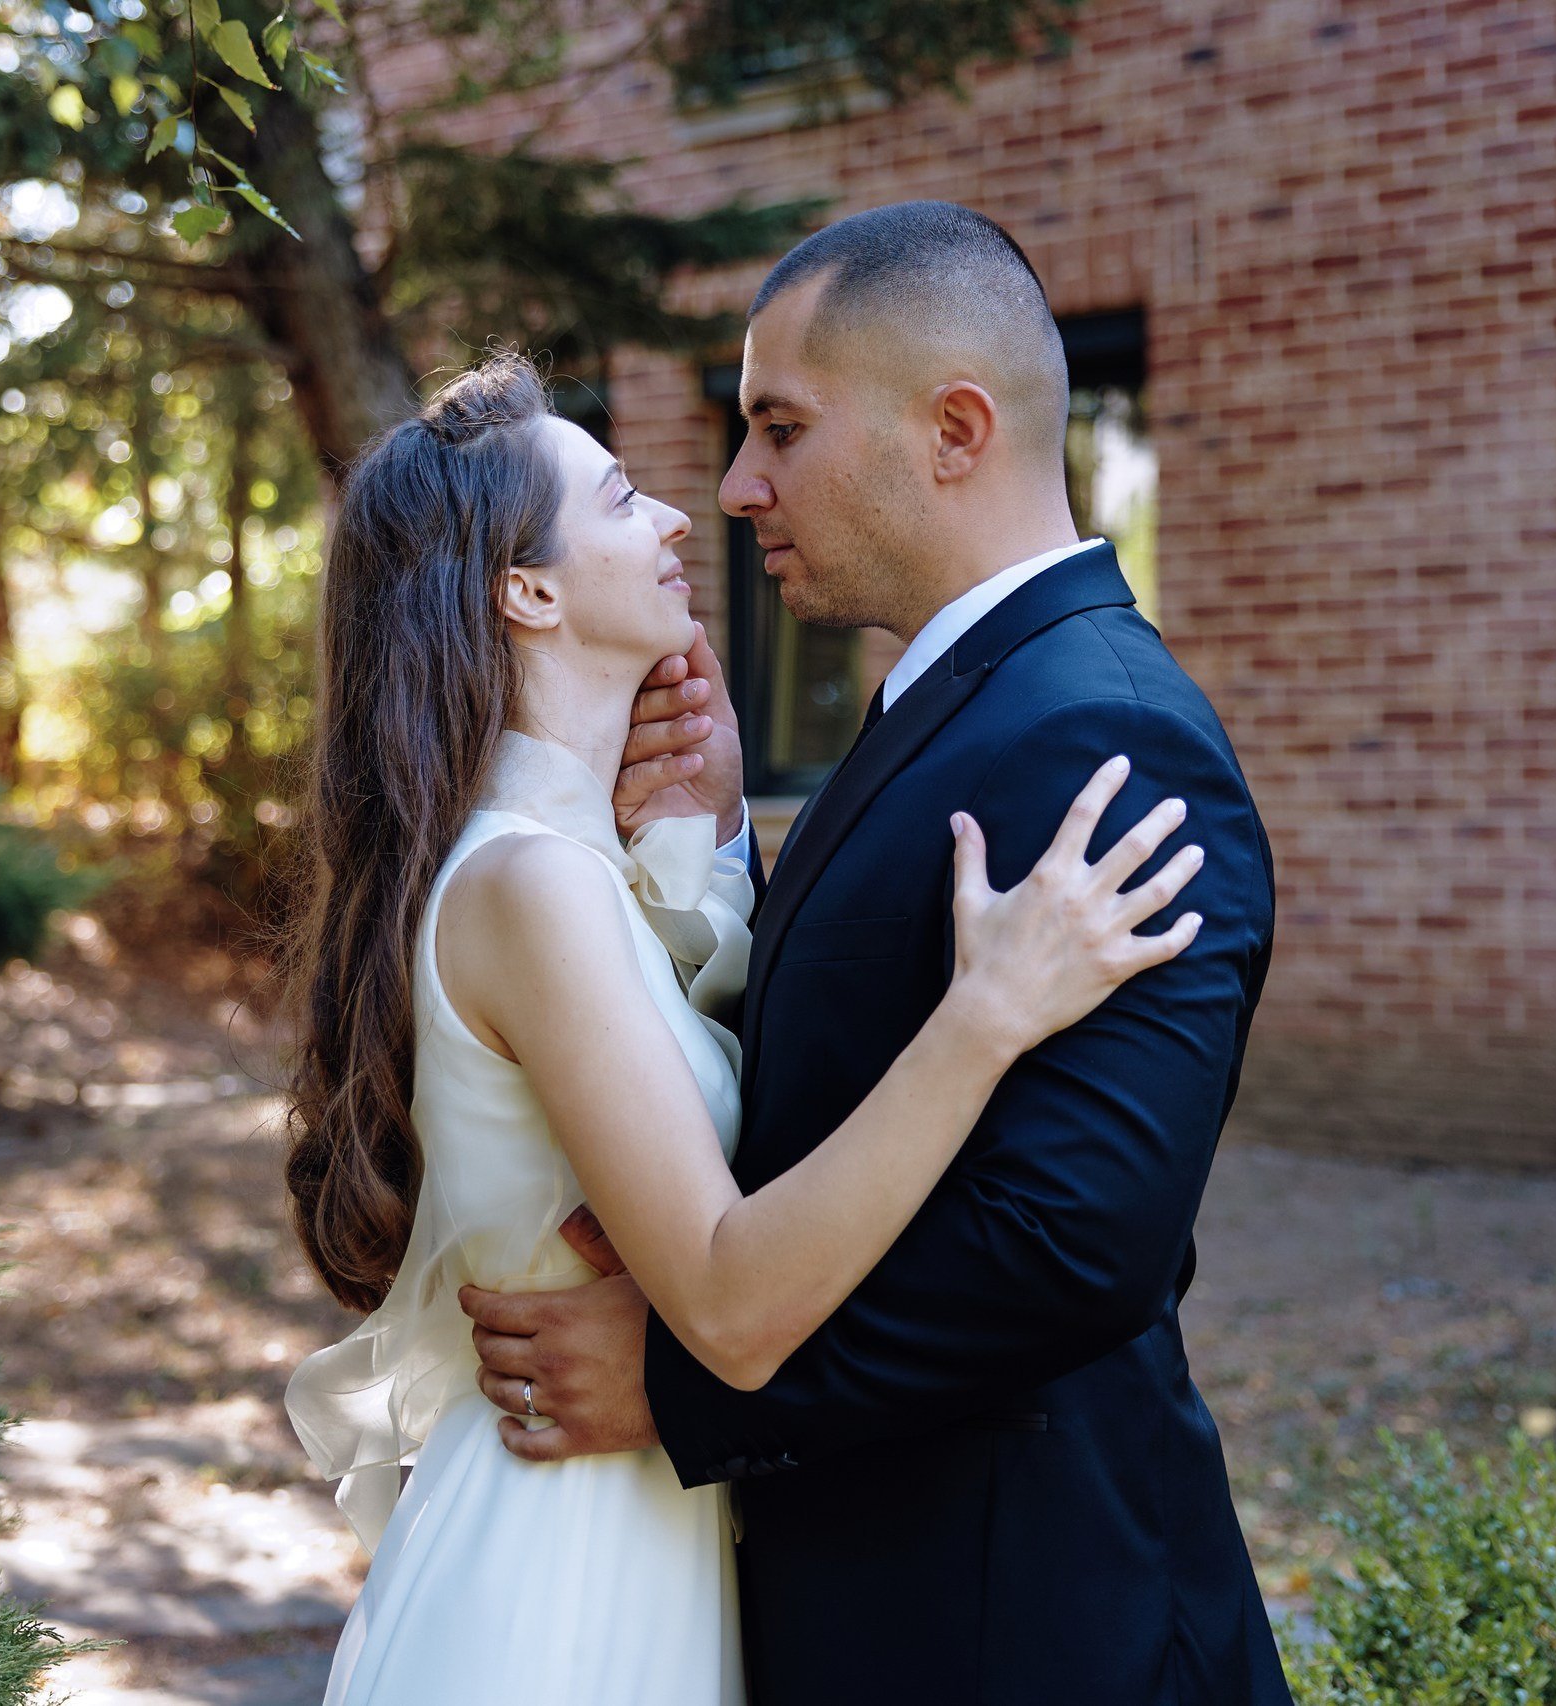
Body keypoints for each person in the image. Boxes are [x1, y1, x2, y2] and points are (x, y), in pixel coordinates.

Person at [281, 340, 1210, 1700]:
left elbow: (709, 1074)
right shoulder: (531, 882)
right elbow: (723, 1287)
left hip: (647, 1536)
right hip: (568, 1583)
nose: (679, 512)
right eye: (615, 500)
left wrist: (708, 835)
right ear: (526, 589)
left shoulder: (559, 863)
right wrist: (985, 1013)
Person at [460, 202, 1293, 1702]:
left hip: (1023, 1631)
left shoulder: (1104, 731)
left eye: (779, 427)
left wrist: (677, 1379)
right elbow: (865, 1037)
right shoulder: (962, 693)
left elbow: (1065, 1244)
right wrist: (723, 851)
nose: (734, 486)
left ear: (954, 429)